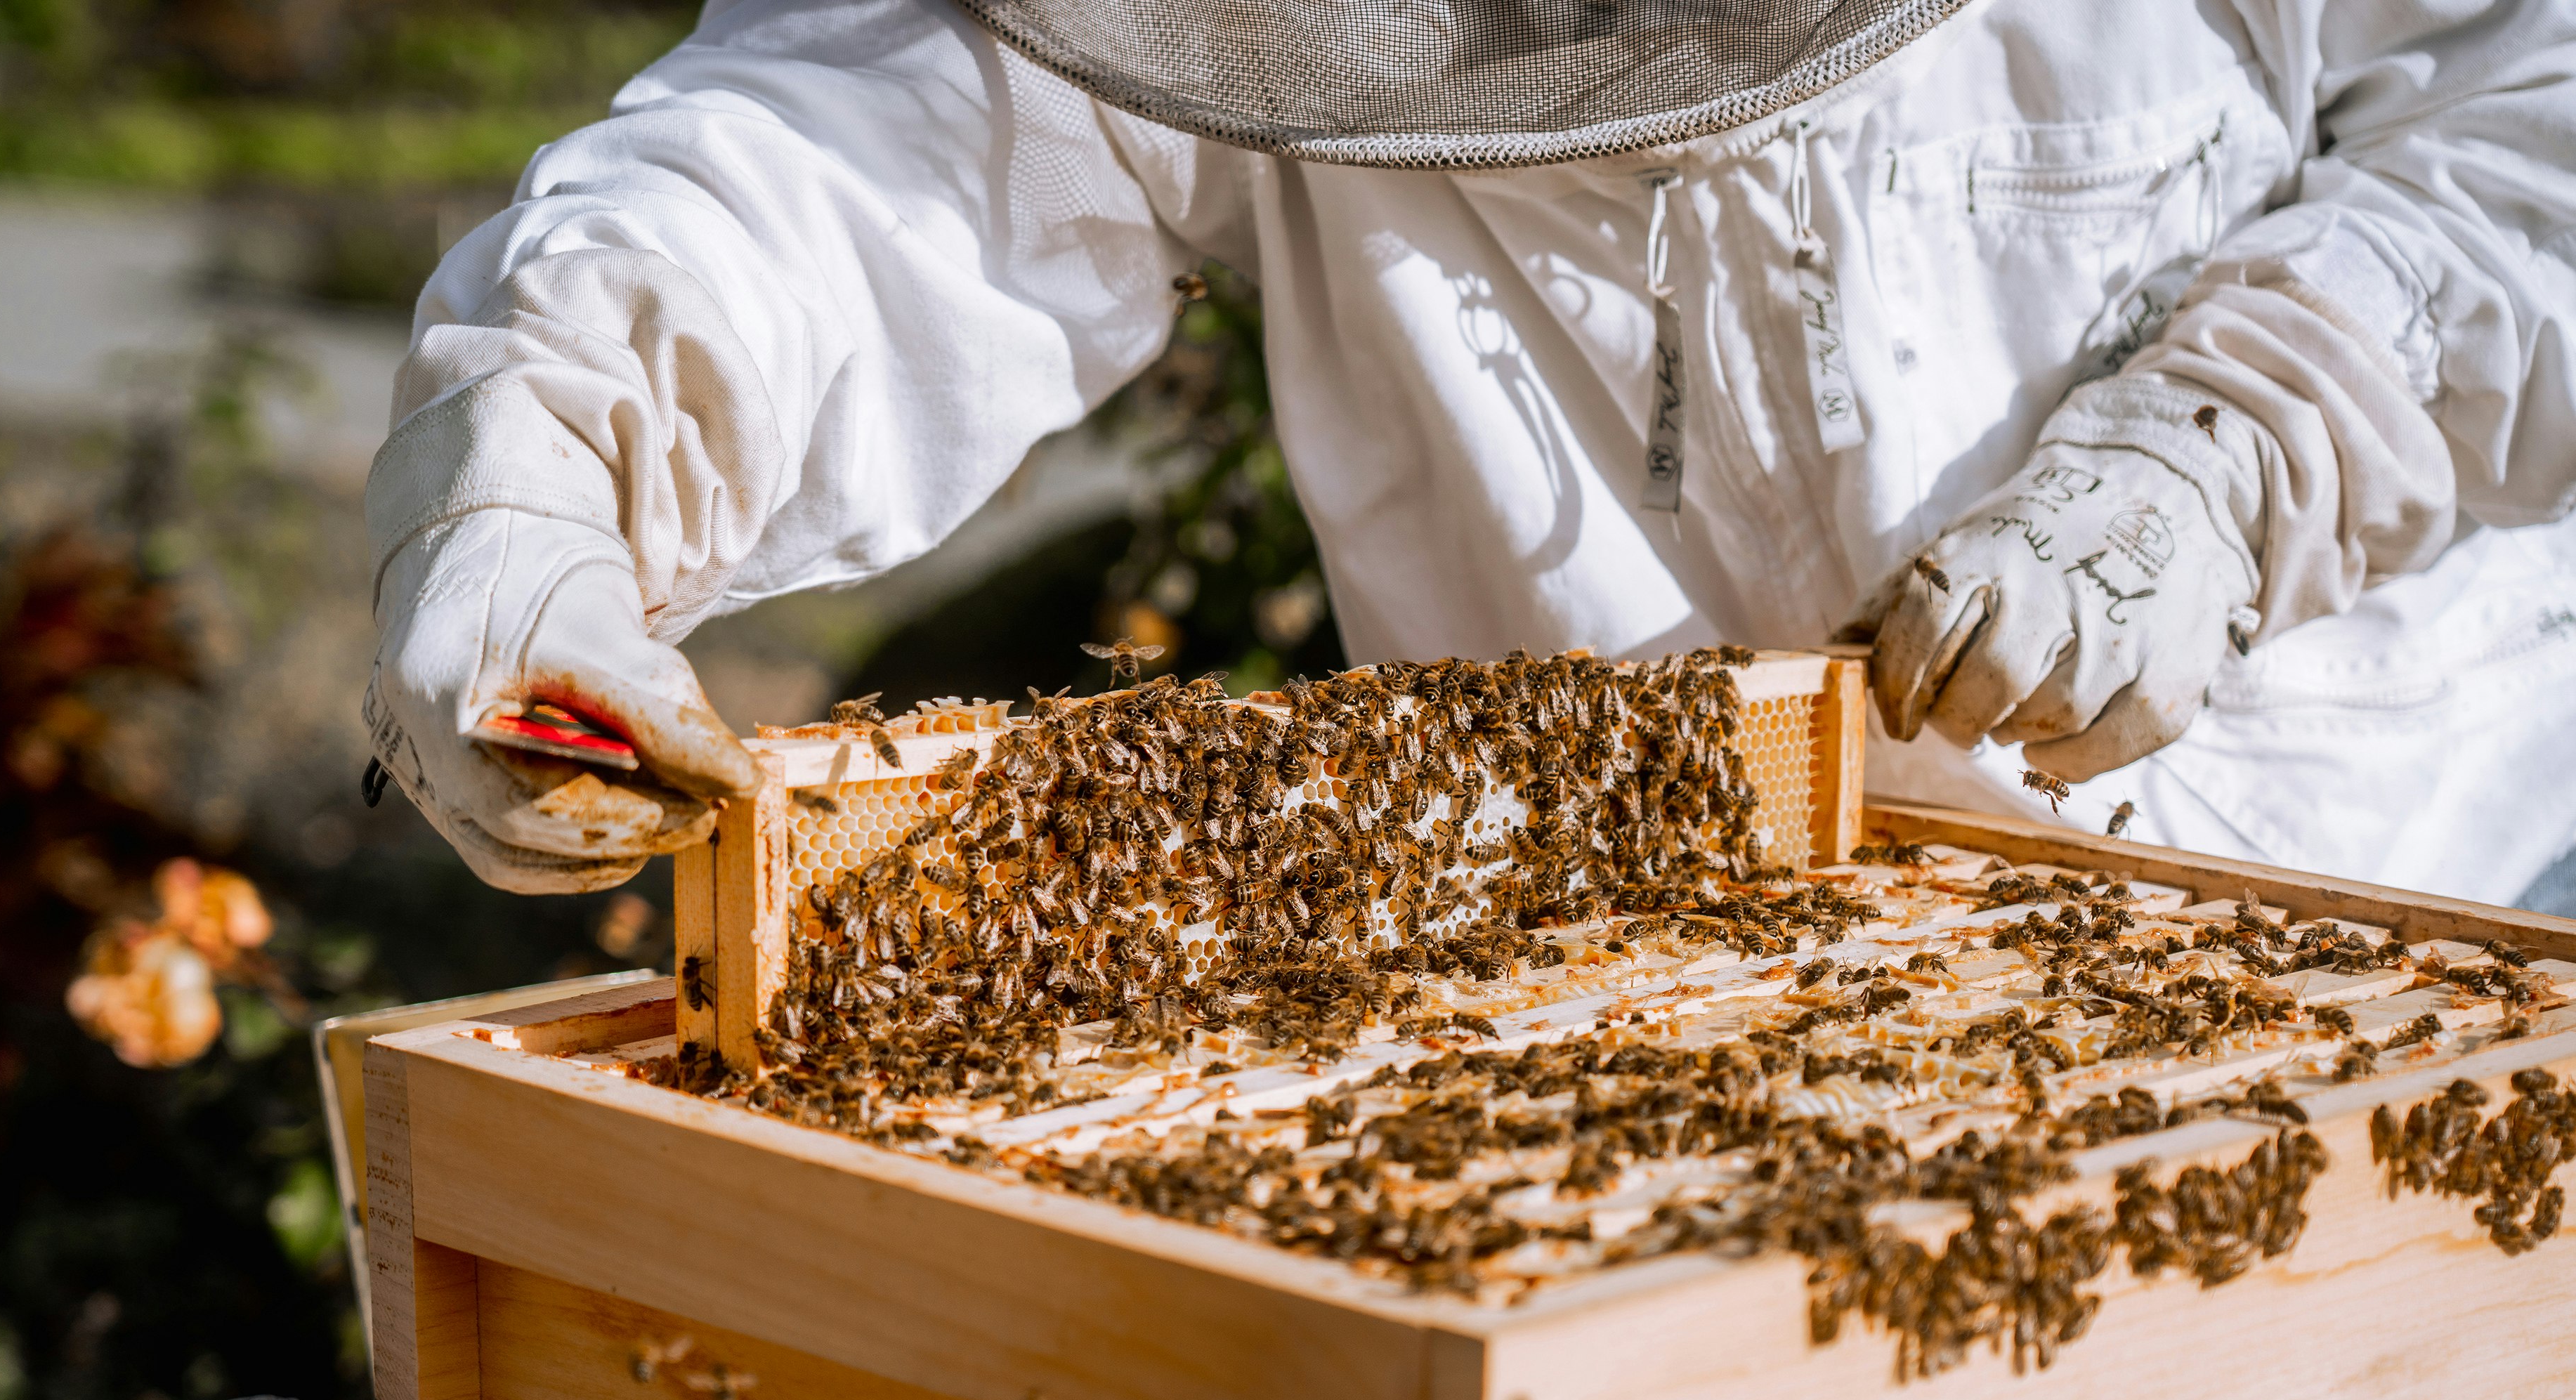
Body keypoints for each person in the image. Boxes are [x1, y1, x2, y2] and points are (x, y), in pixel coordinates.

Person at [362, 0, 2576, 905]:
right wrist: (548, 462)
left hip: (2415, 890)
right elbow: (840, 171)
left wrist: (2248, 444)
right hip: (1658, 999)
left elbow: (2529, 89)